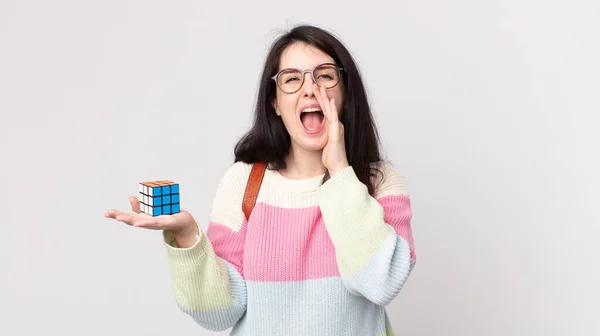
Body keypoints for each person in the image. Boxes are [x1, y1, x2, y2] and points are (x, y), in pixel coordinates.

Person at [105, 24, 416, 336]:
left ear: (345, 92)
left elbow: (381, 284)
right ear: (275, 103)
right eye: (292, 79)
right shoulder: (242, 182)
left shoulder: (379, 182)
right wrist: (187, 236)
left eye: (324, 75)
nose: (310, 89)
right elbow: (220, 314)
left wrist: (339, 171)